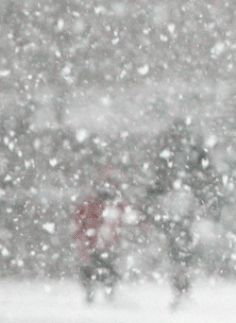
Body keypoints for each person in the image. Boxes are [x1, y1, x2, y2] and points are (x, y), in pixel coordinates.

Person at [147, 118, 221, 309]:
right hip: (181, 206)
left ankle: (182, 286)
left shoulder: (172, 158)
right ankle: (182, 286)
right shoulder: (188, 157)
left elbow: (208, 180)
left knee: (181, 248)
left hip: (183, 206)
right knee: (180, 248)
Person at [72, 167, 133, 303]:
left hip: (107, 244)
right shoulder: (92, 204)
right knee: (91, 269)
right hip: (95, 243)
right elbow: (80, 222)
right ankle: (94, 294)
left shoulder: (115, 205)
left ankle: (106, 294)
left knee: (107, 270)